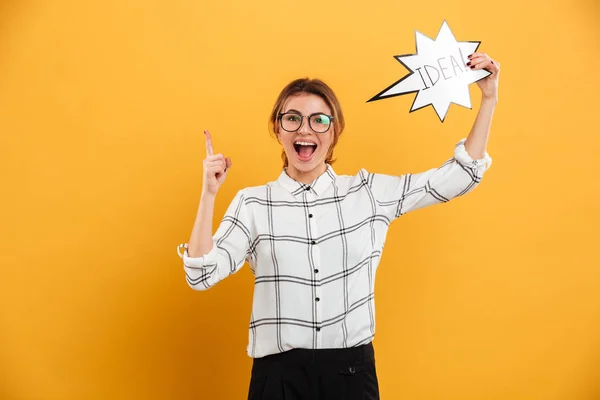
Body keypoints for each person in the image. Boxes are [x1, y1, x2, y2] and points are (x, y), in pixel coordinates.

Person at [177, 52, 500, 399]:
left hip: (351, 375)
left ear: (335, 130)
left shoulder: (369, 192)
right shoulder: (253, 203)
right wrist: (208, 193)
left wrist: (489, 98)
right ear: (277, 128)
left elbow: (460, 176)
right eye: (292, 119)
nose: (304, 129)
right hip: (278, 379)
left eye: (319, 120)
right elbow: (200, 275)